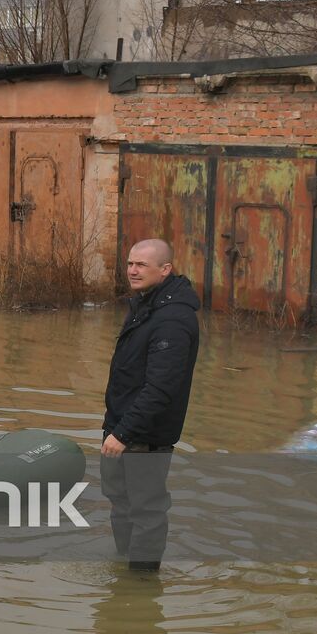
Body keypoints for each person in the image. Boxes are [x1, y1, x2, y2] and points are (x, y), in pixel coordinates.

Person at [102, 238, 200, 572]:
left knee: (146, 510)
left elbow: (161, 388)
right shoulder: (145, 305)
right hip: (120, 429)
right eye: (130, 263)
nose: (132, 270)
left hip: (143, 435)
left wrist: (124, 433)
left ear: (165, 269)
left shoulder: (172, 319)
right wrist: (114, 428)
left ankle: (141, 587)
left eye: (141, 265)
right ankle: (123, 570)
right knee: (121, 503)